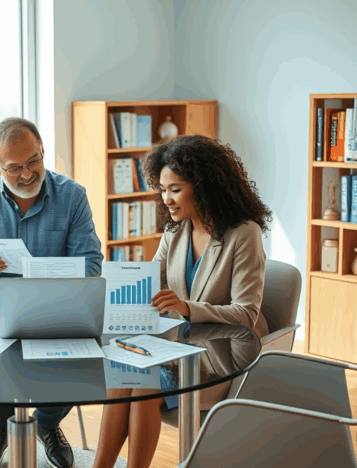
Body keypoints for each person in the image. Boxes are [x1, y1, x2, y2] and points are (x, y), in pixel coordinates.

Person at [92, 134, 273, 468]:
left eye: (175, 189)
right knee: (124, 373)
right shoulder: (175, 231)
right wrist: (118, 294)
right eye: (162, 189)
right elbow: (153, 285)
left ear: (204, 186)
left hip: (217, 360)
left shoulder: (244, 234)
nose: (167, 199)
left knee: (140, 380)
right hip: (172, 350)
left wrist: (187, 308)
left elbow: (246, 314)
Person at [0, 117, 103, 468]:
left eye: (33, 161)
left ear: (43, 150)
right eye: (14, 167)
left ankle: (45, 423)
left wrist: (48, 274)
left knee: (88, 348)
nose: (27, 174)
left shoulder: (72, 195)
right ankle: (2, 423)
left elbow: (91, 262)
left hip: (53, 298)